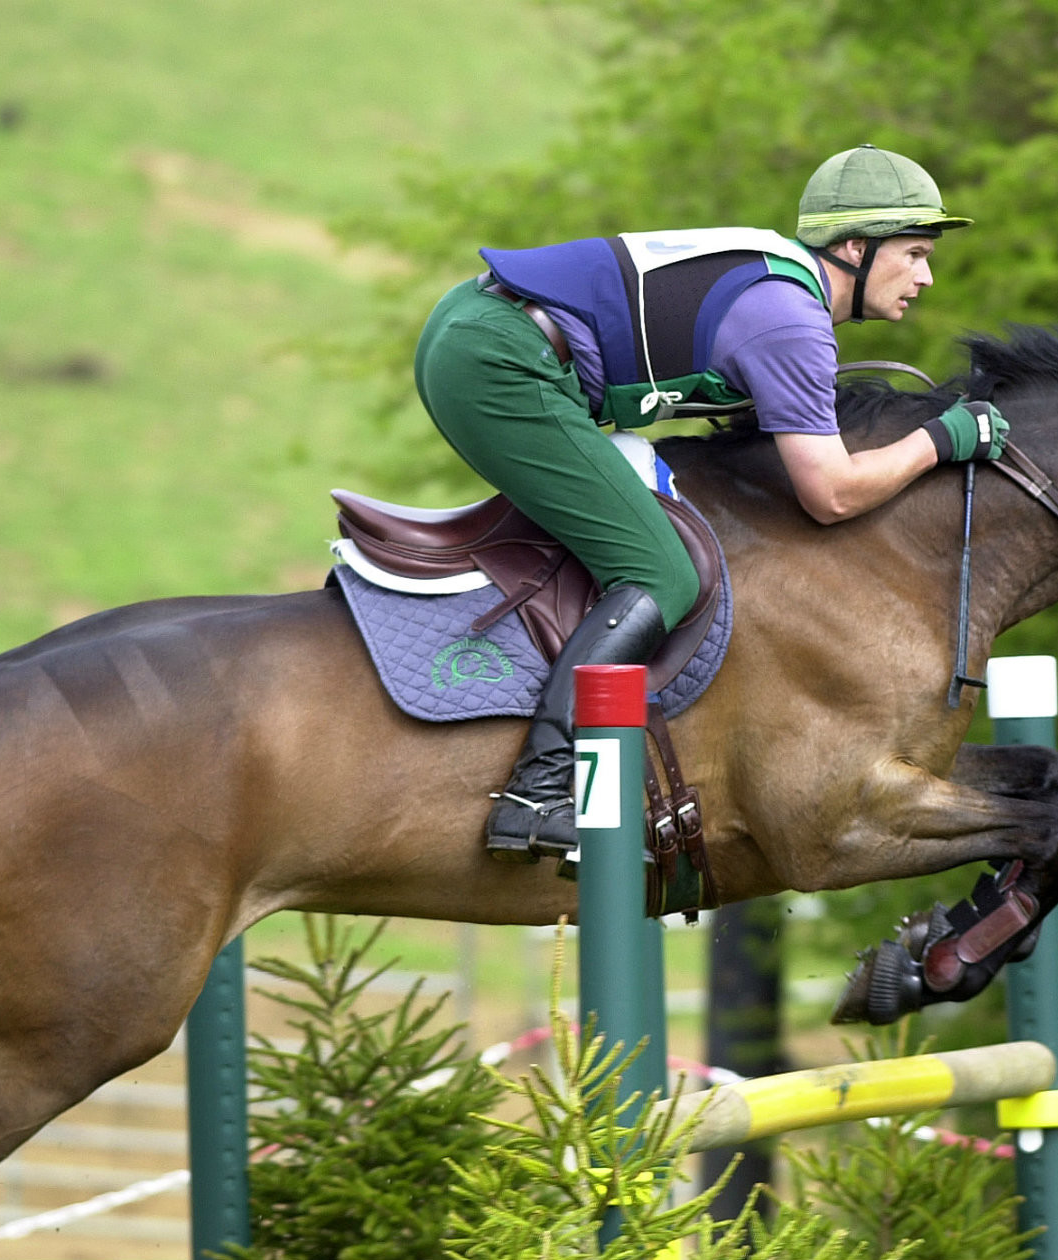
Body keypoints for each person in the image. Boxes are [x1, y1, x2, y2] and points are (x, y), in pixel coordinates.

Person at [413, 144, 1008, 863]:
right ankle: (538, 793)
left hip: (486, 333)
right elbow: (831, 494)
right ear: (856, 247)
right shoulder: (790, 320)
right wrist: (940, 440)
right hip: (497, 358)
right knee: (663, 571)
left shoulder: (784, 290)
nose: (927, 276)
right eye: (914, 253)